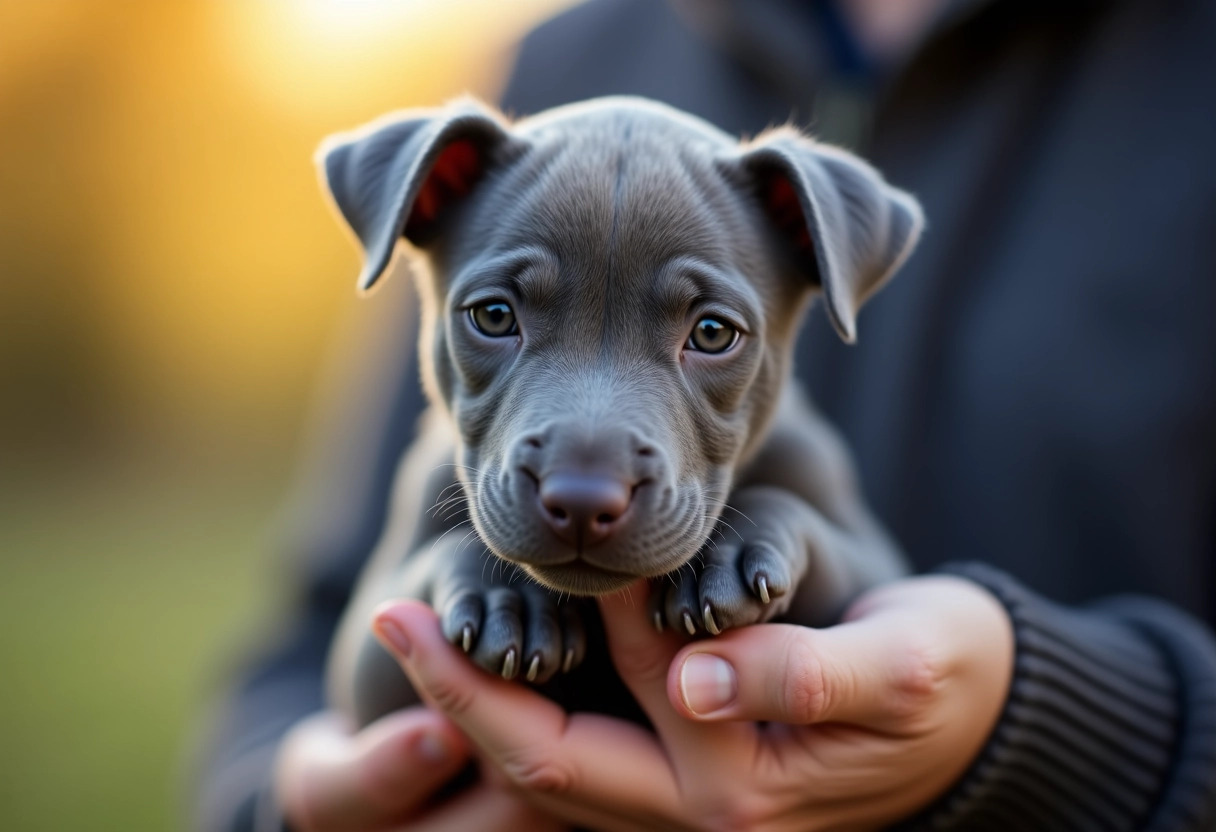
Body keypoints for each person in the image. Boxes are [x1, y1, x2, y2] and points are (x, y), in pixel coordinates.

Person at [193, 0, 1216, 829]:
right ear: (417, 223)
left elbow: (865, 586)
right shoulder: (555, 59)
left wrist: (1069, 734)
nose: (583, 479)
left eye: (709, 332)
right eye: (498, 315)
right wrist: (285, 803)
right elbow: (329, 652)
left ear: (815, 270)